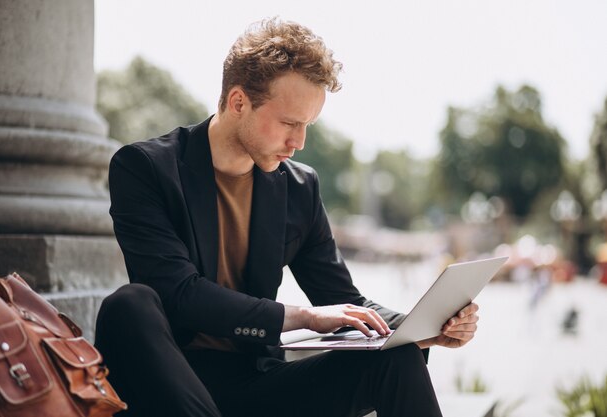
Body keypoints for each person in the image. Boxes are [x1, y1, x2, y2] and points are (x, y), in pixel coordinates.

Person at [95, 17, 480, 417]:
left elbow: (342, 302)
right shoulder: (144, 168)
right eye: (289, 123)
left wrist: (428, 326)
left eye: (307, 126)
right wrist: (305, 318)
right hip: (170, 380)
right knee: (129, 304)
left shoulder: (300, 188)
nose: (299, 142)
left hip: (257, 383)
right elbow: (178, 294)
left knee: (396, 358)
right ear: (238, 102)